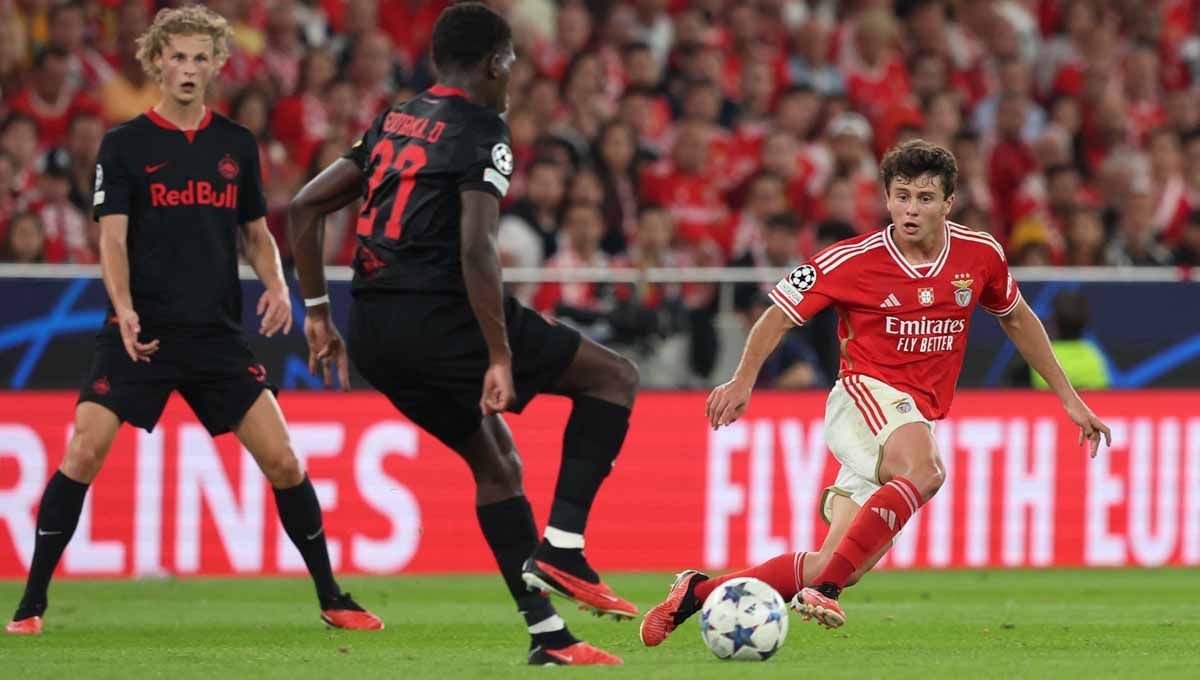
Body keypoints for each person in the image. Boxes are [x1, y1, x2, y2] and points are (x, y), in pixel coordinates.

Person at [639, 139, 1111, 645]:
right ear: (886, 199)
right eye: (902, 195)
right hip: (863, 395)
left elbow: (1016, 317)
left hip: (913, 416)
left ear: (948, 204)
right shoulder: (852, 260)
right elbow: (779, 311)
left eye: (925, 198)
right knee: (924, 471)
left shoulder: (980, 254)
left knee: (837, 559)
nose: (911, 209)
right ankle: (826, 591)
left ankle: (697, 592)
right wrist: (743, 379)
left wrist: (1069, 398)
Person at [5, 6, 381, 636]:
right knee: (84, 450)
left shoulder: (235, 144)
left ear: (215, 65)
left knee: (285, 460)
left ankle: (332, 597)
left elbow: (256, 234)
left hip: (213, 335)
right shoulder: (124, 145)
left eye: (199, 57)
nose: (187, 68)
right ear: (155, 62)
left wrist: (277, 285)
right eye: (175, 56)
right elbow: (113, 241)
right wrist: (123, 309)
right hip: (141, 333)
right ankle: (31, 604)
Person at [287, 3, 637, 667]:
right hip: (439, 315)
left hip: (374, 330)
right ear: (493, 64)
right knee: (615, 377)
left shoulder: (397, 118)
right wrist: (499, 355)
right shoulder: (483, 127)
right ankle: (563, 547)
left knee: (496, 462)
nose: (511, 79)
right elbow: (478, 248)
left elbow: (304, 206)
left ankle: (548, 636)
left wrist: (316, 310)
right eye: (510, 65)